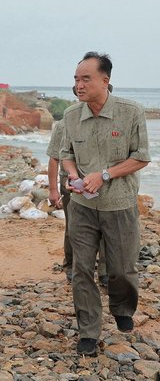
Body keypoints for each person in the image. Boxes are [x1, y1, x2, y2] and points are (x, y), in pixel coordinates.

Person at [61, 52, 150, 356]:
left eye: (85, 78)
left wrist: (105, 175)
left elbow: (141, 156)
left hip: (120, 206)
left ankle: (122, 307)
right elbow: (66, 153)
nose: (78, 84)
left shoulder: (131, 112)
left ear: (105, 80)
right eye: (76, 79)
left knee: (122, 269)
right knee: (81, 269)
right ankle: (88, 330)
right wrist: (73, 176)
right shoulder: (71, 115)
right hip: (81, 207)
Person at [47, 118, 107, 286]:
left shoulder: (108, 121)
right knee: (73, 227)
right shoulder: (65, 123)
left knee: (106, 226)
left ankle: (105, 272)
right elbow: (54, 157)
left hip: (101, 184)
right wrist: (53, 189)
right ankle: (71, 268)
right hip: (72, 185)